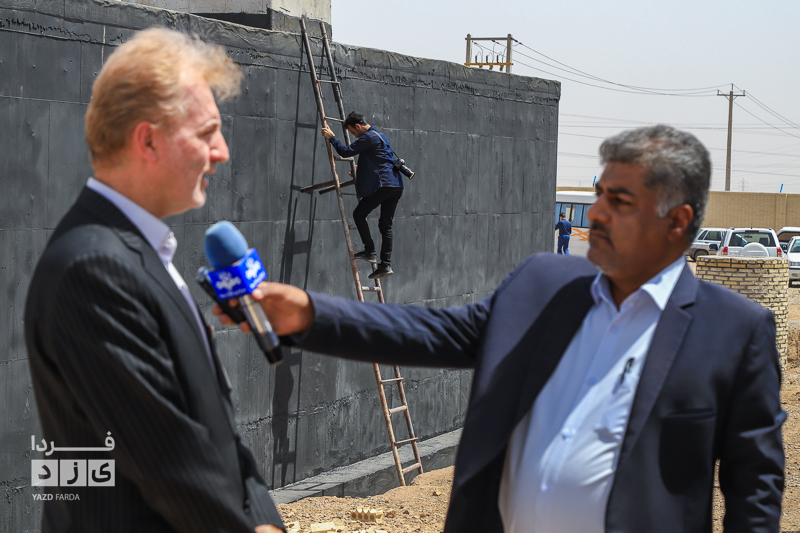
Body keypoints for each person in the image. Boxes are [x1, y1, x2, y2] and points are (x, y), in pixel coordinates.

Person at [219, 125, 785, 532]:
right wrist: (309, 313)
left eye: (619, 201)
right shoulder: (544, 285)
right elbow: (432, 332)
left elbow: (754, 491)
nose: (596, 214)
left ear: (677, 221)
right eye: (598, 195)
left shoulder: (734, 332)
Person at [25, 28, 283, 533]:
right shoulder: (93, 271)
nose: (222, 152)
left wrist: (266, 521)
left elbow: (220, 437)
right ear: (148, 140)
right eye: (207, 133)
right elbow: (173, 466)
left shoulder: (136, 251)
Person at [321, 112, 404, 279]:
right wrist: (361, 170)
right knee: (385, 225)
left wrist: (332, 138)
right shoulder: (379, 135)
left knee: (359, 214)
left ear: (358, 126)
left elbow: (345, 152)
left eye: (353, 132)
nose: (355, 136)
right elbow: (381, 160)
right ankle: (385, 265)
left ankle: (370, 250)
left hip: (384, 185)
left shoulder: (368, 137)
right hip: (396, 185)